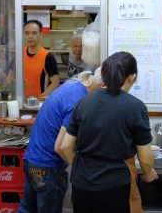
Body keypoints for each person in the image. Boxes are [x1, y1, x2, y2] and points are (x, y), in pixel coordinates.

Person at [60, 51, 158, 213]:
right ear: (132, 77)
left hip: (81, 185)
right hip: (115, 186)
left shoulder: (83, 101)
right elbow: (146, 159)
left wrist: (84, 169)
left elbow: (65, 147)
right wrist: (148, 173)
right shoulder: (136, 107)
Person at [19, 70, 103, 213]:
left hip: (32, 160)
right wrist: (82, 170)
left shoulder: (71, 86)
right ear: (103, 87)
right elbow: (61, 147)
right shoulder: (79, 101)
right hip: (49, 167)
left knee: (27, 209)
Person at [6, 20, 60, 98]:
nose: (30, 36)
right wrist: (9, 92)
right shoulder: (19, 53)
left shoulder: (47, 57)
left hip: (38, 103)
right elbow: (11, 74)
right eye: (27, 33)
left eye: (34, 33)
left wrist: (41, 98)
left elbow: (56, 82)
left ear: (41, 35)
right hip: (20, 100)